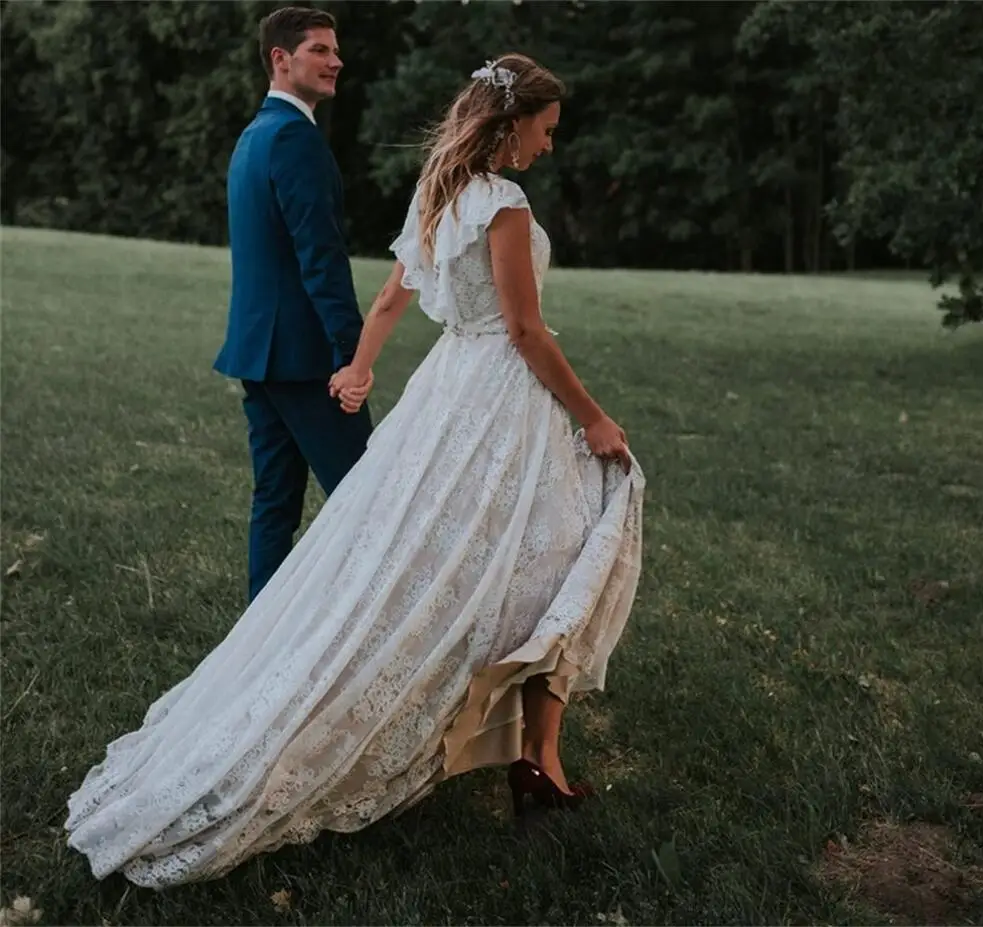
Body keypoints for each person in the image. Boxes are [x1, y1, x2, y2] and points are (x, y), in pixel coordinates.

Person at [65, 53, 644, 890]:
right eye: (547, 132)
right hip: (496, 396)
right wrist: (592, 416)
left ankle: (534, 753)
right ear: (513, 124)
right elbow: (524, 330)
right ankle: (531, 752)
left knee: (500, 555)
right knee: (564, 550)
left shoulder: (440, 194)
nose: (550, 148)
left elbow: (388, 300)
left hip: (444, 390)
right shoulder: (505, 204)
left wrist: (364, 368)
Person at [213, 7, 373, 602]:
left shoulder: (255, 136)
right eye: (319, 50)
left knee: (274, 504)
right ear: (281, 59)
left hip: (259, 353)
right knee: (367, 501)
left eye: (335, 50)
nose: (336, 61)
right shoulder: (295, 140)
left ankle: (257, 646)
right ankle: (357, 639)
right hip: (307, 360)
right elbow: (321, 259)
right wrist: (353, 356)